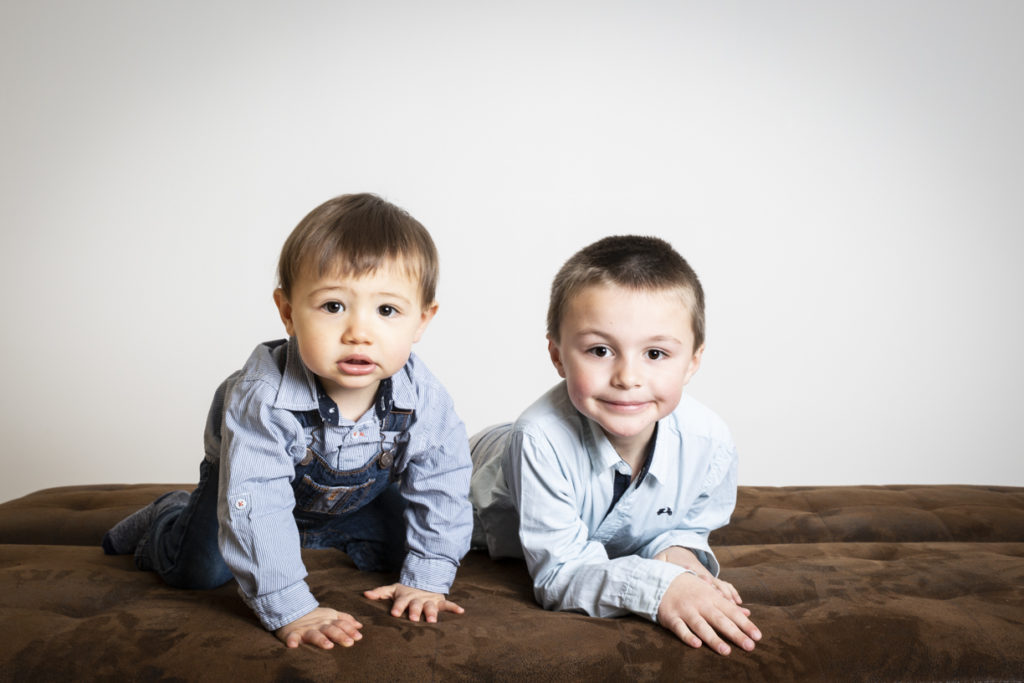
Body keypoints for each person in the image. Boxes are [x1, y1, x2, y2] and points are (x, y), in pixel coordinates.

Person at [103, 193, 472, 649]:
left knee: (413, 549)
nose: (359, 331)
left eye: (387, 310)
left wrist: (428, 578)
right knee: (199, 570)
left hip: (349, 497)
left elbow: (443, 483)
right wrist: (292, 608)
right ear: (287, 312)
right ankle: (169, 517)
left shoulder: (424, 398)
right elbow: (256, 500)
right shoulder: (263, 396)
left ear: (421, 321)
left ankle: (301, 535)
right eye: (333, 306)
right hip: (246, 488)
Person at [469, 235, 762, 656]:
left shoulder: (709, 442)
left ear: (693, 361)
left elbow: (687, 523)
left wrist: (676, 554)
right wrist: (659, 589)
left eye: (656, 353)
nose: (627, 377)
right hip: (477, 475)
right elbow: (558, 574)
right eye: (600, 350)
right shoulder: (538, 438)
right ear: (557, 356)